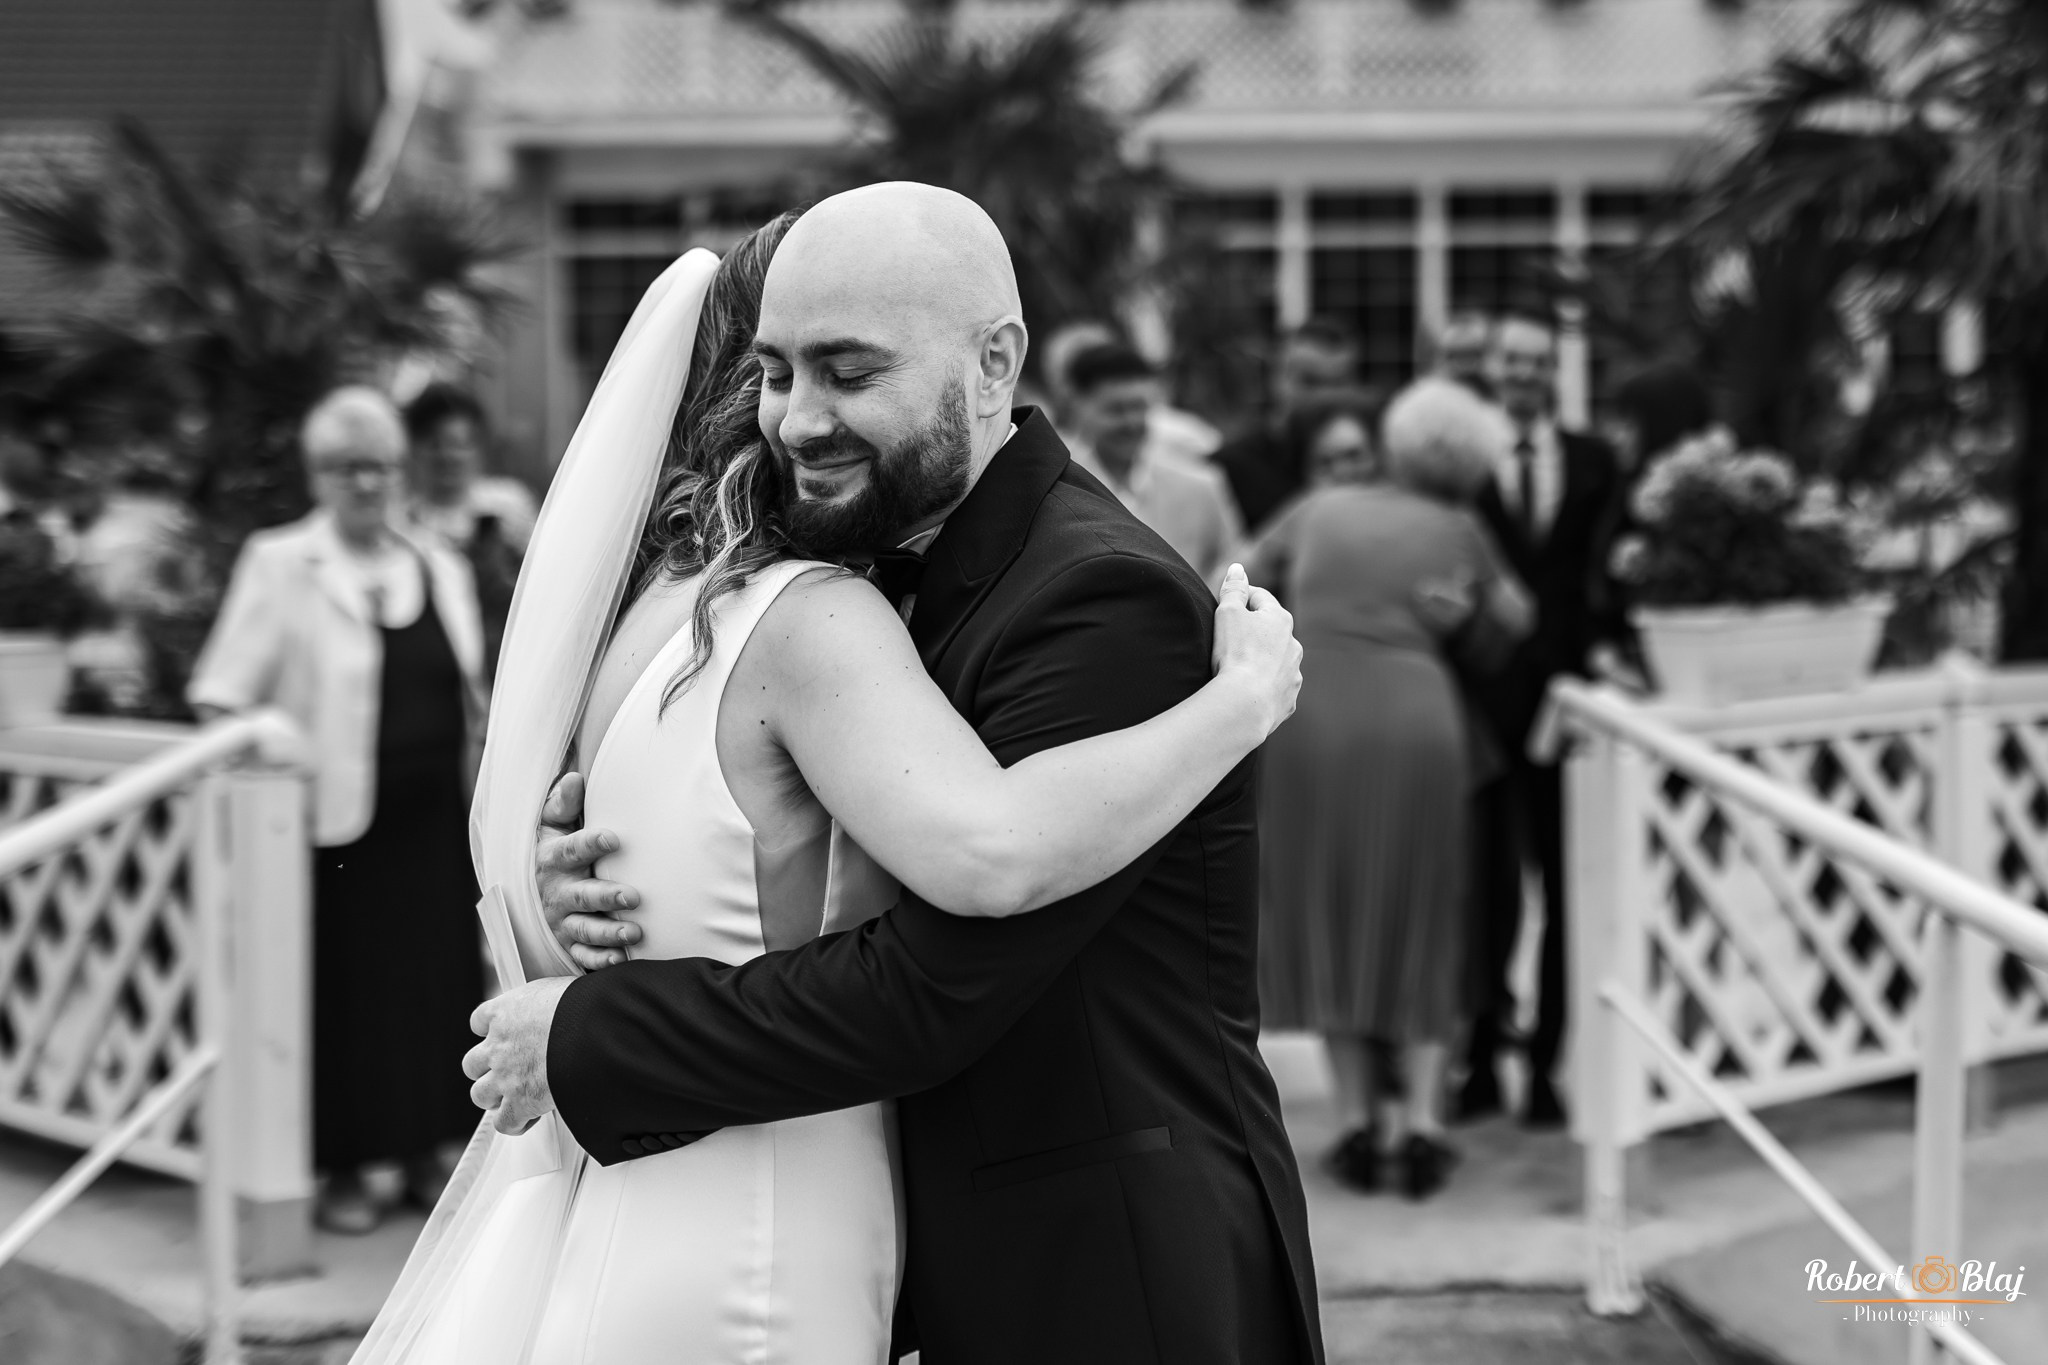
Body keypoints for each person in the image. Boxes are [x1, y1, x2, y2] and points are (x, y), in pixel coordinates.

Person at [387, 187, 1320, 1364]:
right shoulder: (825, 591)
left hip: (1102, 1264)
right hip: (891, 1241)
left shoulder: (1094, 596)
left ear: (994, 366)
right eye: (774, 372)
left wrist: (587, 1031)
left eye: (845, 371)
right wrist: (602, 873)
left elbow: (937, 982)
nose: (794, 418)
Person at [188, 387, 487, 1234]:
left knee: (438, 990)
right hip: (337, 831)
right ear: (317, 475)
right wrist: (270, 736)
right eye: (348, 467)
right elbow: (220, 693)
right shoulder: (281, 562)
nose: (368, 482)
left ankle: (434, 1149)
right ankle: (349, 1168)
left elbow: (469, 694)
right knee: (355, 1001)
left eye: (382, 466)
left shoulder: (439, 563)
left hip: (435, 823)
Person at [1250, 378, 1530, 1200]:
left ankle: (1357, 1124)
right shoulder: (1464, 530)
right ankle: (1424, 1127)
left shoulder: (1319, 509)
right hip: (1419, 723)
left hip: (1316, 719)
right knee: (1423, 909)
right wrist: (1448, 609)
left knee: (1331, 906)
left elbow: (1241, 572)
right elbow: (1511, 625)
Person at [1461, 311, 1630, 1130]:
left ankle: (1548, 1067)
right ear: (1491, 371)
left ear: (1553, 372)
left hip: (1567, 706)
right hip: (1482, 705)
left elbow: (1604, 578)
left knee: (1565, 885)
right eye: (1510, 361)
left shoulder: (1596, 459)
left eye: (1537, 361)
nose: (1524, 374)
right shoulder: (1459, 460)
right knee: (1487, 888)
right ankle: (1481, 1057)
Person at [1063, 341, 1244, 588]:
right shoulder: (1061, 485)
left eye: (1139, 407)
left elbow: (1234, 565)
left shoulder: (1199, 485)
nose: (1130, 422)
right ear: (1079, 407)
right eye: (1115, 410)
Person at [402, 382, 537, 678]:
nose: (448, 455)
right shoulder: (403, 521)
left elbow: (540, 581)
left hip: (509, 660)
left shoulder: (507, 507)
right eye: (435, 443)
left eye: (460, 443)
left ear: (479, 447)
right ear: (414, 447)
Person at [1211, 317, 1360, 534]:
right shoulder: (1230, 468)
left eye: (1338, 384)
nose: (1326, 396)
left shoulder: (1361, 467)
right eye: (1311, 381)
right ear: (1276, 378)